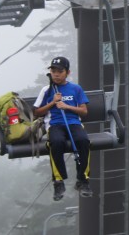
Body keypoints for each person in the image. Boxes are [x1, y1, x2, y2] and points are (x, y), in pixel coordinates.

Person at [33, 56, 92, 201]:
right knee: (56, 142)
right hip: (55, 124)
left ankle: (83, 180)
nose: (56, 74)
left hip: (73, 123)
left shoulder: (75, 89)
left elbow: (84, 111)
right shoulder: (46, 90)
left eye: (60, 71)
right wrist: (52, 103)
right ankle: (58, 182)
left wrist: (67, 106)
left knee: (83, 141)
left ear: (67, 72)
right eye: (53, 70)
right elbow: (36, 112)